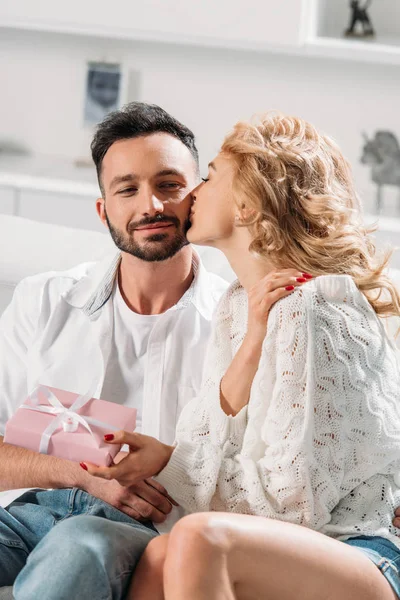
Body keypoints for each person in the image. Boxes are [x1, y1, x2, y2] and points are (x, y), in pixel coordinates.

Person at [86, 112, 400, 600]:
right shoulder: (238, 306)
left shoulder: (313, 308)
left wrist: (171, 460)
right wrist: (167, 459)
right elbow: (209, 442)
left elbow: (293, 505)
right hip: (293, 548)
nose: (191, 194)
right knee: (156, 556)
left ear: (249, 205)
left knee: (198, 537)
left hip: (363, 552)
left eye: (209, 177)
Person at [0, 103, 228, 600]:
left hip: (146, 532)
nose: (152, 205)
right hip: (28, 513)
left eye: (169, 184)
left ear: (198, 198)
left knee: (76, 547)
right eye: (128, 189)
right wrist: (78, 475)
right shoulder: (44, 300)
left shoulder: (238, 325)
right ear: (105, 210)